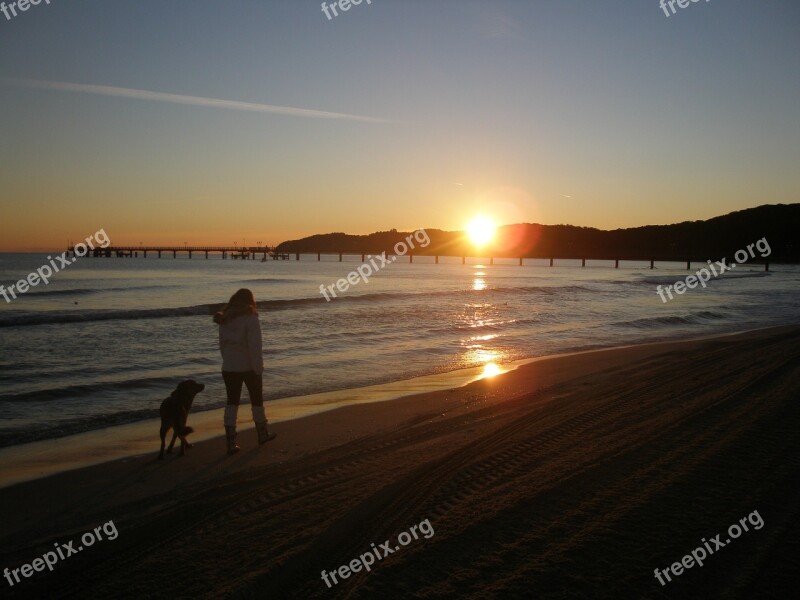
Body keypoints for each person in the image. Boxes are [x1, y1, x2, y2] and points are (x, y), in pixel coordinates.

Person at [213, 288, 277, 454]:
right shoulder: (251, 318)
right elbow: (255, 347)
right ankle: (262, 433)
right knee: (257, 401)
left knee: (231, 402)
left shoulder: (224, 319)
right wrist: (258, 368)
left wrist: (227, 360)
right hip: (248, 367)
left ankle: (231, 441)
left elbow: (222, 345)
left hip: (229, 367)